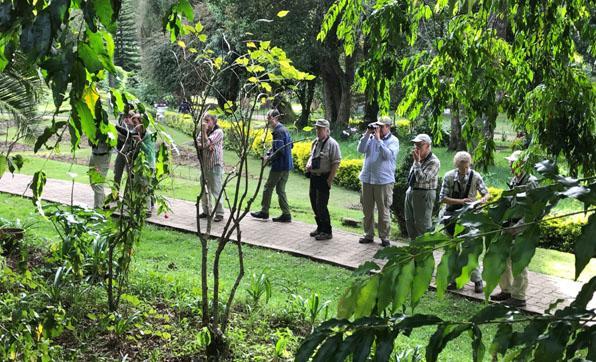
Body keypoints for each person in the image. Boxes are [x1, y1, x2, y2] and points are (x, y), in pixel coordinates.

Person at [490, 150, 538, 308]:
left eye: (513, 163)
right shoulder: (514, 180)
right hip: (508, 226)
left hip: (522, 228)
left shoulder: (531, 182)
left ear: (522, 164)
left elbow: (534, 211)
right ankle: (507, 290)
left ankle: (519, 297)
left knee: (519, 262)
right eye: (510, 163)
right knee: (504, 259)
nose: (510, 166)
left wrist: (518, 227)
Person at [439, 151, 490, 293]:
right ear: (457, 165)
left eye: (467, 167)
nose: (465, 171)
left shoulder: (476, 176)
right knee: (452, 250)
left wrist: (482, 200)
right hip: (451, 217)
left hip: (471, 218)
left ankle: (477, 280)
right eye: (462, 168)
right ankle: (454, 280)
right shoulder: (449, 177)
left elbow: (486, 193)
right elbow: (442, 198)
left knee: (471, 250)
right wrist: (461, 201)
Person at [357, 116, 399, 247]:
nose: (378, 128)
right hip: (367, 179)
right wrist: (367, 133)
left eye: (381, 126)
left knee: (383, 210)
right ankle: (368, 234)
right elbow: (360, 149)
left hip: (383, 181)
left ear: (388, 127)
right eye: (377, 126)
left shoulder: (393, 141)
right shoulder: (371, 137)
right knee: (367, 209)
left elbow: (388, 156)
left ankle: (384, 237)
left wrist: (379, 140)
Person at [251, 109, 294, 222]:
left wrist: (268, 158)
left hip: (279, 166)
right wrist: (269, 152)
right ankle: (286, 214)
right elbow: (290, 145)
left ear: (275, 118)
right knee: (280, 190)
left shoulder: (278, 131)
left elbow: (280, 151)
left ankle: (264, 211)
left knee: (268, 187)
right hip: (287, 165)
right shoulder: (284, 129)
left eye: (269, 117)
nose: (268, 120)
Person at [306, 119, 342, 240]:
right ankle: (320, 227)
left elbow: (336, 163)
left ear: (327, 130)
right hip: (314, 177)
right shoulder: (315, 142)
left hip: (324, 178)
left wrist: (329, 180)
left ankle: (327, 231)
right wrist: (309, 164)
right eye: (317, 128)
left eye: (320, 129)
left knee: (321, 205)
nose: (318, 131)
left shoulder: (332, 144)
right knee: (314, 203)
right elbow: (311, 156)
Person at [404, 133, 441, 241]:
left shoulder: (434, 161)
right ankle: (414, 252)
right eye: (415, 145)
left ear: (428, 146)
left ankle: (425, 254)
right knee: (409, 222)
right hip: (412, 191)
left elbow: (422, 178)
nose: (416, 148)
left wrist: (416, 162)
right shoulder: (419, 158)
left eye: (420, 145)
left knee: (422, 226)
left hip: (424, 194)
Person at [197, 113, 225, 222]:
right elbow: (198, 143)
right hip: (204, 165)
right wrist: (206, 145)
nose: (205, 122)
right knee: (204, 190)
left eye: (207, 120)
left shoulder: (219, 132)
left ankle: (219, 213)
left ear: (214, 122)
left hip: (215, 166)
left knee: (216, 190)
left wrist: (205, 140)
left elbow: (206, 142)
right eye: (204, 120)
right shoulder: (203, 132)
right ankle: (206, 211)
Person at [88, 138, 112, 209]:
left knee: (98, 184)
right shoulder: (94, 128)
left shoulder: (109, 129)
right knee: (93, 182)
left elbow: (112, 143)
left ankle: (97, 209)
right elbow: (90, 143)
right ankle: (105, 203)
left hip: (103, 157)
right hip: (94, 155)